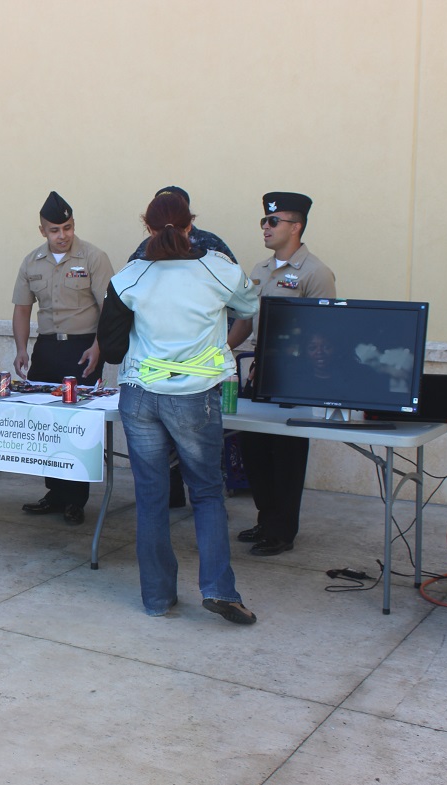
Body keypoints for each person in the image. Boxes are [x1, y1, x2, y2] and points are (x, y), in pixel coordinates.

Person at [97, 191, 260, 625]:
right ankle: (219, 590)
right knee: (206, 493)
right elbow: (249, 306)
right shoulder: (217, 267)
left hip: (140, 395)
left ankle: (156, 598)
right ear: (191, 226)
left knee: (151, 497)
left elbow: (112, 350)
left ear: (147, 228)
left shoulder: (129, 277)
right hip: (194, 396)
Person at [226, 192, 337, 556]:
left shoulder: (316, 273)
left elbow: (324, 331)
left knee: (286, 456)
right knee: (254, 448)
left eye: (273, 222)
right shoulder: (259, 270)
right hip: (257, 372)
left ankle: (282, 530)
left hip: (294, 376)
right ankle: (265, 519)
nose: (266, 228)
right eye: (264, 221)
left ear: (296, 226)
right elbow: (245, 322)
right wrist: (219, 352)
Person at [127, 186, 238, 509]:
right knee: (163, 466)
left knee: (203, 467)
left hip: (199, 370)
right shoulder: (143, 251)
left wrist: (218, 348)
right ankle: (177, 499)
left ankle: (204, 505)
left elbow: (232, 302)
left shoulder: (212, 247)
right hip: (157, 370)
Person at [12, 191, 114, 525]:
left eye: (67, 227)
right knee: (46, 423)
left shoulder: (93, 258)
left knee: (77, 424)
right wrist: (21, 349)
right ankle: (54, 492)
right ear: (42, 230)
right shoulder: (32, 262)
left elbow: (108, 310)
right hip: (47, 349)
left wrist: (98, 348)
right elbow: (22, 309)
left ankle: (76, 499)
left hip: (82, 348)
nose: (62, 235)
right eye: (55, 230)